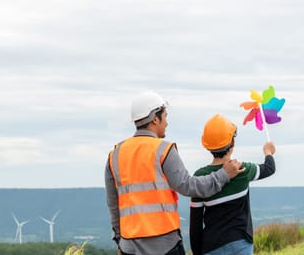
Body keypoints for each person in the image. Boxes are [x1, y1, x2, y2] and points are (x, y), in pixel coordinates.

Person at [105, 92, 246, 255]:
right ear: (155, 119)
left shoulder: (115, 154)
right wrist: (224, 174)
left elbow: (113, 204)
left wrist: (119, 241)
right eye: (165, 116)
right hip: (166, 246)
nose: (167, 122)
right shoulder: (163, 150)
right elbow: (189, 187)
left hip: (129, 247)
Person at [189, 114, 276, 255]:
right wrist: (268, 152)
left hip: (212, 245)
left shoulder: (200, 177)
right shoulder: (243, 170)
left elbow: (195, 223)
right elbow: (269, 168)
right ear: (232, 144)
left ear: (206, 145)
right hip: (241, 243)